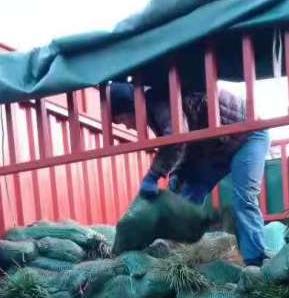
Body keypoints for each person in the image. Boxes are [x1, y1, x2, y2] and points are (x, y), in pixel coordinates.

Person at [110, 81, 269, 266]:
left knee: (244, 199)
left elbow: (178, 136)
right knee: (184, 200)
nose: (127, 127)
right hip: (217, 147)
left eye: (123, 120)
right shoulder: (154, 112)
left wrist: (153, 176)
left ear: (132, 108)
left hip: (248, 134)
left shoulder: (158, 102)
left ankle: (255, 262)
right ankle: (183, 259)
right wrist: (176, 177)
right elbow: (186, 145)